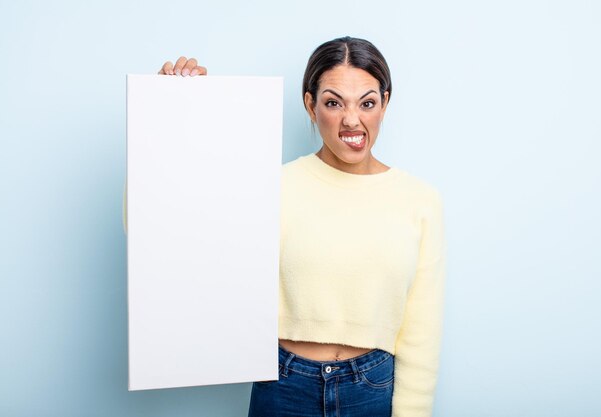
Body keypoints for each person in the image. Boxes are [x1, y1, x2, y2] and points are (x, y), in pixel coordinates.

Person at [126, 36, 446, 417]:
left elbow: (421, 331)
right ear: (310, 105)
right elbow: (158, 231)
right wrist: (168, 114)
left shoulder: (419, 200)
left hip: (373, 388)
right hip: (284, 385)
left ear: (385, 103)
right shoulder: (271, 186)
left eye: (367, 102)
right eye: (333, 102)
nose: (351, 119)